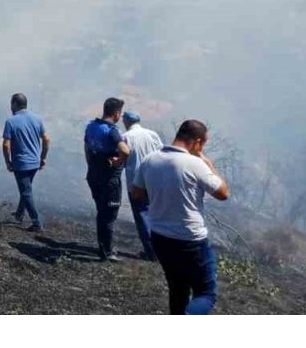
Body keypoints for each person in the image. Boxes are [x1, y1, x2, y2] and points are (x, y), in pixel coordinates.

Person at [130, 119, 230, 315]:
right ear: (198, 142)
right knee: (206, 293)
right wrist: (207, 162)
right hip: (190, 240)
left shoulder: (150, 160)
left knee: (178, 290)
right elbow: (223, 193)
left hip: (160, 237)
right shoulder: (195, 163)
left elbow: (136, 193)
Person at [84, 98, 129, 261]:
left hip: (93, 176)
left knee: (101, 212)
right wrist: (119, 160)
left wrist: (91, 164)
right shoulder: (112, 130)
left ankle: (102, 247)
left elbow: (87, 148)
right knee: (109, 214)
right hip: (110, 181)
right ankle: (107, 252)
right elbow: (125, 150)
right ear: (116, 113)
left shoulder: (91, 126)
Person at [3, 93, 49, 232]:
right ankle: (19, 214)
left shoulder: (11, 121)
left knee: (26, 192)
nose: (10, 107)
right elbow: (46, 139)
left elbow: (6, 145)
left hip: (21, 164)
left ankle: (37, 222)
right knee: (26, 189)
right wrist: (43, 157)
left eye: (12, 104)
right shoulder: (37, 119)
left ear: (15, 104)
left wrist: (8, 162)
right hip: (34, 162)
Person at [121, 111, 163, 260]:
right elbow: (161, 153)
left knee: (142, 215)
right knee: (157, 215)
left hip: (135, 182)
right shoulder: (152, 134)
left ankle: (152, 252)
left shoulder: (125, 137)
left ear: (126, 121)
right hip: (155, 180)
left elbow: (122, 157)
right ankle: (162, 250)